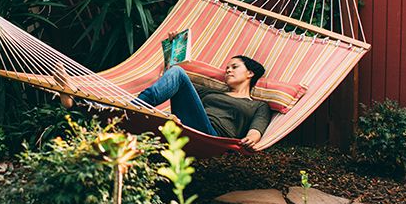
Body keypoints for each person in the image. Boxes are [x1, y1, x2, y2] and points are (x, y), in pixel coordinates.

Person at [54, 49, 271, 151]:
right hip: (189, 124)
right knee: (176, 73)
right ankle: (77, 98)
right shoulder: (211, 93)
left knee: (178, 73)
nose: (228, 71)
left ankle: (132, 108)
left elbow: (257, 128)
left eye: (234, 67)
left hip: (211, 135)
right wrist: (173, 46)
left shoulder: (257, 105)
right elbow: (171, 82)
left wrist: (252, 137)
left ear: (250, 73)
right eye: (226, 68)